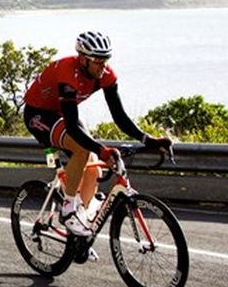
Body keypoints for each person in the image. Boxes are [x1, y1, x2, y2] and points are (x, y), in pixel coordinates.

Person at [23, 31, 173, 236]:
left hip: (63, 114)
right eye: (98, 62)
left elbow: (119, 116)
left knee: (94, 170)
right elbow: (73, 128)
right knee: (82, 150)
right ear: (83, 60)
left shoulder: (105, 75)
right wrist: (102, 150)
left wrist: (147, 139)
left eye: (106, 60)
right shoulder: (68, 72)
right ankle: (68, 210)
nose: (103, 67)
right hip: (39, 114)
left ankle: (78, 231)